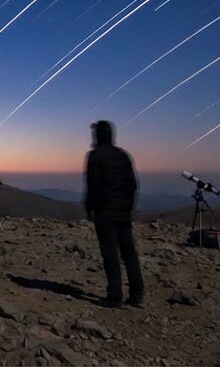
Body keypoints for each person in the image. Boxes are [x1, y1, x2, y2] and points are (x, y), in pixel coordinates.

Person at [84, 120, 144, 307]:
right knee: (129, 253)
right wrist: (128, 207)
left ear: (98, 136)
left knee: (110, 253)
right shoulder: (123, 156)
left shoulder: (95, 156)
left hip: (105, 212)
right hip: (123, 213)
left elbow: (92, 185)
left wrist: (90, 208)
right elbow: (133, 185)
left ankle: (114, 294)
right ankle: (137, 295)